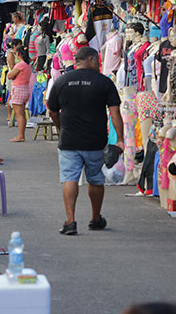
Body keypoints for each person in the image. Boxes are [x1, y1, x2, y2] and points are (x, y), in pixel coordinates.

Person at [47, 47, 124, 235]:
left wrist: (59, 127)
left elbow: (52, 111)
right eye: (97, 60)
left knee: (70, 178)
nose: (99, 63)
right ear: (91, 59)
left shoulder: (62, 81)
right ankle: (96, 218)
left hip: (69, 139)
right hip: (95, 140)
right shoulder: (104, 82)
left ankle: (70, 221)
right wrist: (120, 139)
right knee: (96, 180)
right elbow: (115, 113)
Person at [7, 45, 32, 143]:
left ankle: (21, 135)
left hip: (18, 89)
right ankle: (22, 134)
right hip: (25, 88)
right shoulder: (28, 64)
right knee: (21, 114)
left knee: (19, 114)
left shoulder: (20, 65)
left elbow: (10, 75)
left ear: (18, 54)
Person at [5, 39, 22, 122]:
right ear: (14, 46)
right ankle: (9, 114)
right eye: (19, 45)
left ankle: (15, 114)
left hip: (19, 77)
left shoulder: (18, 54)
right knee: (11, 96)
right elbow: (12, 66)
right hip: (13, 76)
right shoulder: (10, 54)